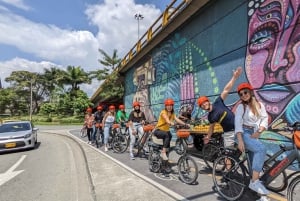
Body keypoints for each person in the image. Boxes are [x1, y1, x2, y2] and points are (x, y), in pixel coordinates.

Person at [235, 82, 269, 195]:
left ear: (250, 92)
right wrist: (240, 140)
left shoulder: (259, 105)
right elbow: (238, 123)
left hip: (254, 133)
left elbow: (264, 118)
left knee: (253, 159)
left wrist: (259, 131)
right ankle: (254, 182)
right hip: (243, 133)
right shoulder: (241, 106)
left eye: (245, 92)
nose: (243, 95)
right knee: (261, 149)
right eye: (241, 94)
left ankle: (256, 191)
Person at [197, 67, 242, 147]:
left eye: (204, 102)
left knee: (247, 150)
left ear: (208, 101)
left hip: (239, 127)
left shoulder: (218, 102)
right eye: (202, 105)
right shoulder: (210, 117)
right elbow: (211, 128)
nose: (204, 105)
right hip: (228, 133)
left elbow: (226, 90)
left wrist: (234, 77)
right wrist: (208, 137)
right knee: (228, 156)